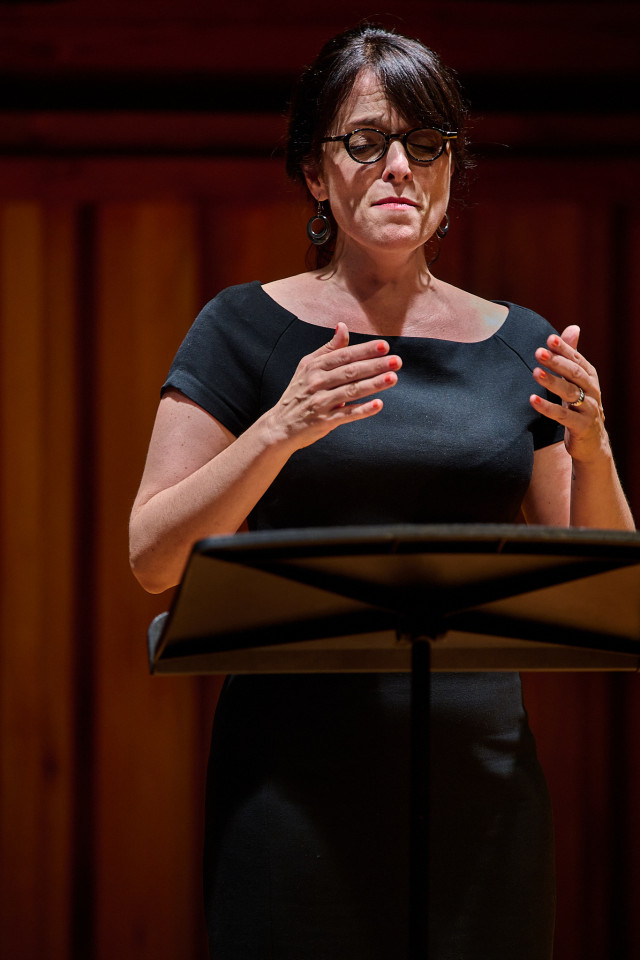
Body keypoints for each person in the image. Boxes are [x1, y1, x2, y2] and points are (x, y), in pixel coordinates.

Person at [129, 23, 634, 960]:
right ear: (315, 174)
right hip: (291, 786)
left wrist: (594, 448)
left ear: (450, 169)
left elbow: (605, 592)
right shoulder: (241, 328)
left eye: (426, 143)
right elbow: (153, 559)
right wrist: (280, 429)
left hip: (480, 780)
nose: (399, 166)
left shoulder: (520, 342)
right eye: (366, 141)